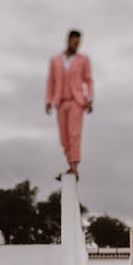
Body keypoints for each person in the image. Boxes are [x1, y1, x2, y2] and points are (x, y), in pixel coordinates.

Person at [45, 29, 94, 181]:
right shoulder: (55, 60)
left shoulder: (83, 60)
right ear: (68, 40)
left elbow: (88, 80)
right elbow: (51, 81)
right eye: (74, 41)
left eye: (78, 42)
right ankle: (70, 164)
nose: (76, 45)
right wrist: (48, 101)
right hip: (60, 101)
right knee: (64, 137)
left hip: (76, 101)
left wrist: (89, 99)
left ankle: (74, 168)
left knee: (74, 134)